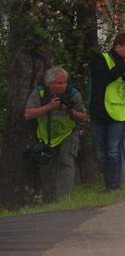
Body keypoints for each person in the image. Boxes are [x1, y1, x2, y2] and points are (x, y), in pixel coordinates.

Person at [89, 32, 125, 192]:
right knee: (101, 153)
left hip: (119, 111)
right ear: (118, 47)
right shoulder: (100, 59)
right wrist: (124, 64)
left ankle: (114, 187)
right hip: (100, 111)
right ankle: (108, 184)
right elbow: (103, 79)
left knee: (115, 151)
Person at [24, 66, 87, 202]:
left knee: (66, 162)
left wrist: (70, 111)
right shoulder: (40, 93)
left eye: (65, 82)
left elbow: (83, 117)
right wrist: (49, 106)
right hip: (46, 134)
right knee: (46, 167)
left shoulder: (73, 93)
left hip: (68, 133)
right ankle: (49, 200)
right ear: (50, 83)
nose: (63, 86)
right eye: (59, 83)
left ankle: (63, 199)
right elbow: (28, 114)